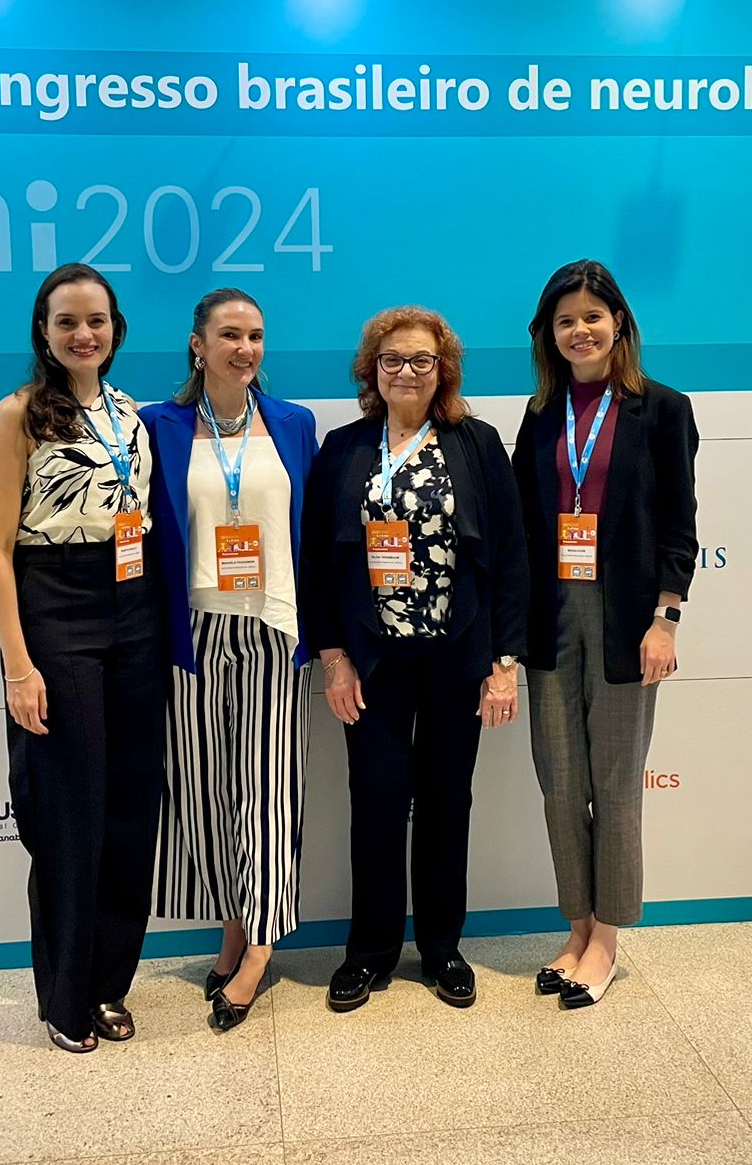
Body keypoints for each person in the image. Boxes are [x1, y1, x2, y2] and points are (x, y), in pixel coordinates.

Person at [300, 305, 527, 1013]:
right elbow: (318, 564)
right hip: (372, 662)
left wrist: (504, 663)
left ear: (443, 371)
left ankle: (441, 947)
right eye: (392, 360)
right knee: (375, 803)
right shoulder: (342, 448)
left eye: (421, 360)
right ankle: (369, 952)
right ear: (372, 370)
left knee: (445, 804)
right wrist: (333, 656)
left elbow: (512, 560)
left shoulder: (477, 443)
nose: (406, 371)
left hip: (459, 658)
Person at [0, 263, 165, 1052]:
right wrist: (20, 667)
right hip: (54, 607)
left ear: (116, 328)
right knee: (69, 812)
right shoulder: (18, 414)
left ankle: (109, 985)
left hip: (134, 603)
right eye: (66, 322)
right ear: (44, 332)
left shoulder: (131, 413)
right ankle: (64, 998)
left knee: (130, 807)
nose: (83, 334)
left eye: (96, 320)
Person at [512, 260, 699, 1009]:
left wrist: (667, 617)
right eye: (565, 320)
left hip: (626, 618)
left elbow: (681, 527)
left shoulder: (663, 409)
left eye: (593, 316)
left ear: (618, 322)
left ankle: (608, 941)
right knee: (560, 781)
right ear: (548, 336)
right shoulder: (539, 414)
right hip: (550, 612)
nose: (580, 330)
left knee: (616, 785)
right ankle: (577, 925)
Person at [141, 288, 318, 1032]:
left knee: (269, 795)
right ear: (197, 344)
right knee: (209, 796)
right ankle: (232, 929)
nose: (244, 348)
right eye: (229, 335)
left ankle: (259, 951)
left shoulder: (295, 424)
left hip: (275, 630)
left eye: (255, 335)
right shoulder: (159, 426)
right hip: (194, 634)